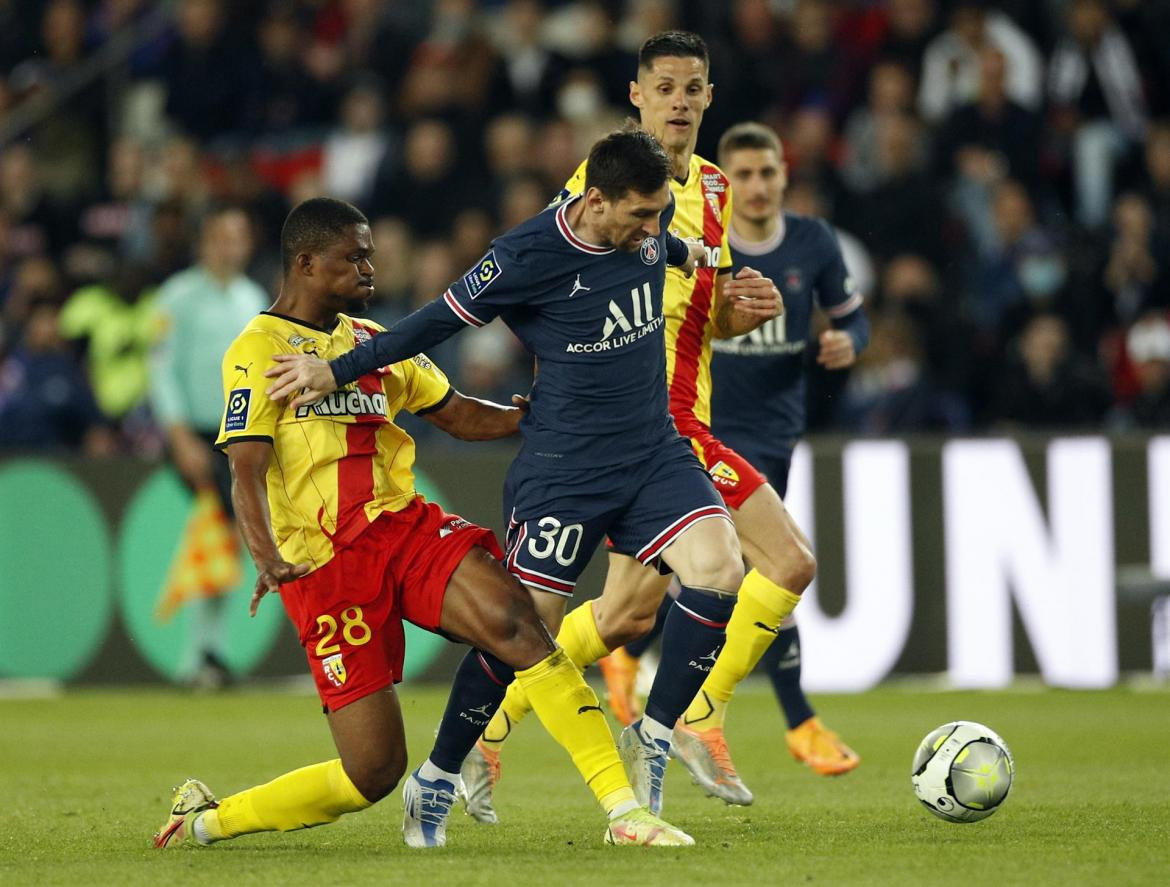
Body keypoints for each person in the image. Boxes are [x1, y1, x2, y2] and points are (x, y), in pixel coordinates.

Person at [263, 131, 778, 834]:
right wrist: (336, 370)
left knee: (721, 567)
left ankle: (653, 735)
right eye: (642, 215)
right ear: (595, 201)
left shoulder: (649, 234)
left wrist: (725, 269)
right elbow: (431, 322)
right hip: (564, 470)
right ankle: (440, 773)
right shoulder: (524, 256)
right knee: (517, 632)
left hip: (653, 450)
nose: (654, 230)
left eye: (662, 214)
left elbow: (681, 251)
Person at [152, 197, 690, 852]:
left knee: (520, 626)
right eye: (354, 256)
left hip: (403, 529)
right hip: (325, 568)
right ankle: (210, 819)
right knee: (371, 771)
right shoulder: (257, 350)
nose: (370, 267)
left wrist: (537, 414)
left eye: (371, 253)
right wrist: (266, 558)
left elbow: (458, 413)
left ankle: (623, 810)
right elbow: (245, 469)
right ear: (306, 261)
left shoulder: (370, 342)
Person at [455, 31, 810, 818]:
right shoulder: (600, 186)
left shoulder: (714, 191)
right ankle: (693, 717)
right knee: (785, 562)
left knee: (624, 615)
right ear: (637, 96)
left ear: (709, 98)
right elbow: (544, 290)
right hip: (651, 424)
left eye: (694, 88)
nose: (680, 101)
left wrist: (736, 315)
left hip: (686, 412)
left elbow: (693, 313)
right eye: (666, 88)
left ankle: (490, 729)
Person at [609, 123, 870, 790]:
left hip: (773, 431)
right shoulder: (679, 228)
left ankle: (517, 711)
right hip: (700, 427)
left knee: (648, 602)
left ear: (785, 175)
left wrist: (848, 340)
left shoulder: (812, 241)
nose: (755, 186)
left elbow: (851, 315)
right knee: (767, 565)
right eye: (742, 173)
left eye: (767, 173)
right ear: (721, 176)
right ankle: (778, 716)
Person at [148, 205, 267, 688]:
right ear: (205, 242)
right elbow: (160, 368)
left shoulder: (252, 298)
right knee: (216, 533)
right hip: (196, 432)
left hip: (236, 436)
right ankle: (197, 656)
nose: (229, 247)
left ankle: (207, 654)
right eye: (221, 237)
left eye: (238, 237)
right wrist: (177, 436)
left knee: (222, 538)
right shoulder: (176, 297)